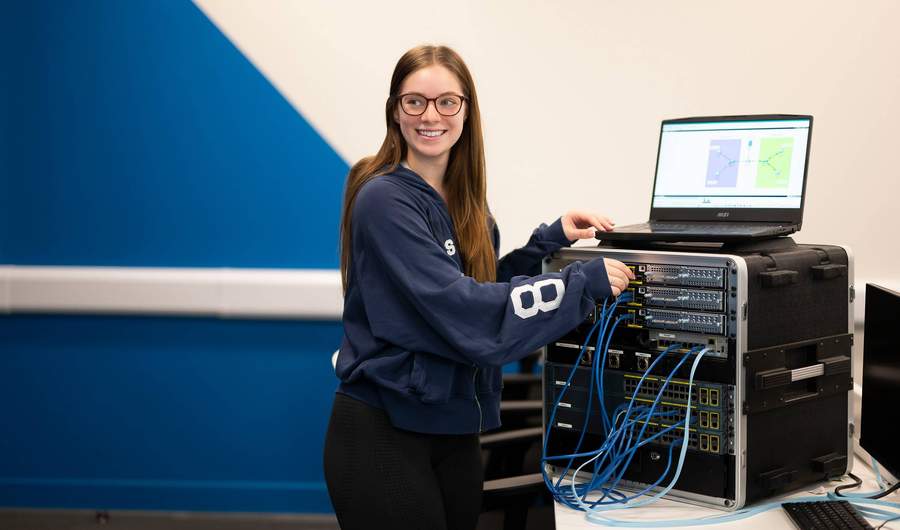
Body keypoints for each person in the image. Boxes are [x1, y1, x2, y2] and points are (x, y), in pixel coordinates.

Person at [323, 44, 634, 530]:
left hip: (454, 429)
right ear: (395, 110)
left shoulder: (468, 206)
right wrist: (579, 284)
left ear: (466, 111)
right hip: (384, 432)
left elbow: (478, 285)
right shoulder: (384, 199)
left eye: (447, 101)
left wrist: (547, 241)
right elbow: (461, 309)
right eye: (415, 102)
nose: (432, 115)